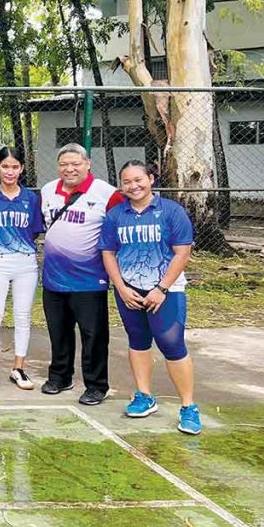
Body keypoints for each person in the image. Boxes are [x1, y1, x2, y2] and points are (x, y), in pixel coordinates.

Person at [99, 160, 200, 435]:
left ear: (151, 178)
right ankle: (144, 396)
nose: (133, 186)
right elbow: (108, 252)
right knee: (138, 340)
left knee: (172, 344)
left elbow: (182, 253)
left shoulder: (171, 211)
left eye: (138, 180)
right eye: (127, 182)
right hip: (129, 289)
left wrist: (161, 289)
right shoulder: (116, 215)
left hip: (166, 291)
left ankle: (188, 407)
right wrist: (120, 287)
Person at [40, 143, 124, 406]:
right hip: (53, 278)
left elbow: (119, 230)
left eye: (75, 163)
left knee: (93, 335)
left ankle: (97, 385)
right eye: (64, 164)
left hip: (89, 279)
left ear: (87, 164)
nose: (70, 169)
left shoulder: (107, 193)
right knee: (58, 331)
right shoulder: (47, 191)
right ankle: (60, 376)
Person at [0, 147, 44, 393]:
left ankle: (18, 367)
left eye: (15, 167)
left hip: (25, 262)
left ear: (22, 168)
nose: (10, 171)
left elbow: (34, 230)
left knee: (23, 316)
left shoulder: (31, 198)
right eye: (5, 166)